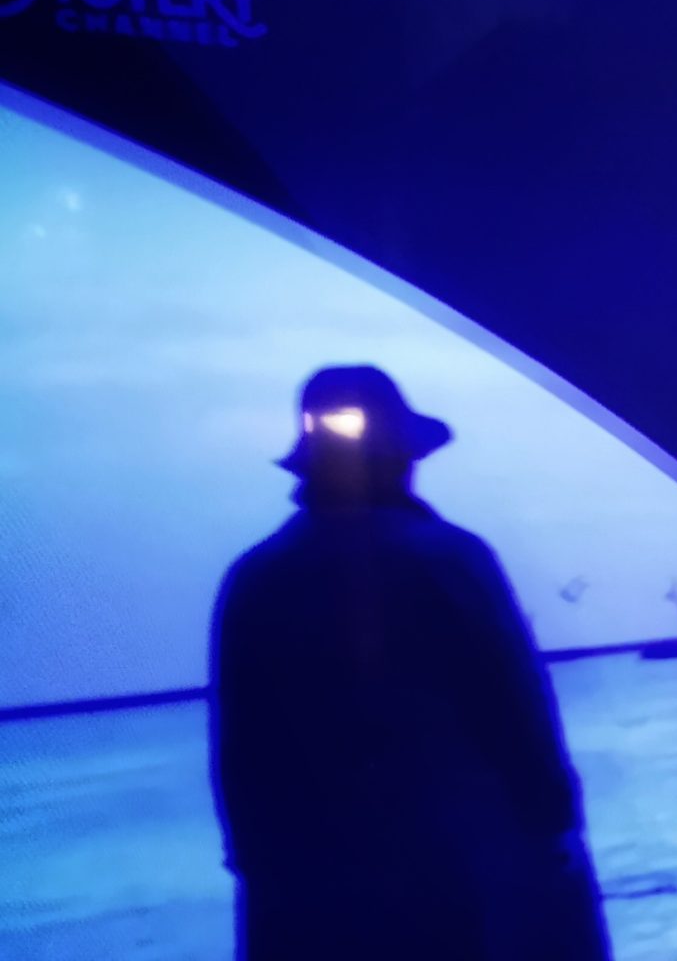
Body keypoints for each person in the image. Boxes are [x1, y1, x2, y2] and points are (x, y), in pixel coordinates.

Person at [207, 366, 610, 961]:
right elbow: (520, 716)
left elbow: (238, 758)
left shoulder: (254, 579)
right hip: (462, 889)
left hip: (307, 903)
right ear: (402, 457)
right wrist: (556, 831)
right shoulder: (450, 558)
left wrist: (258, 871)